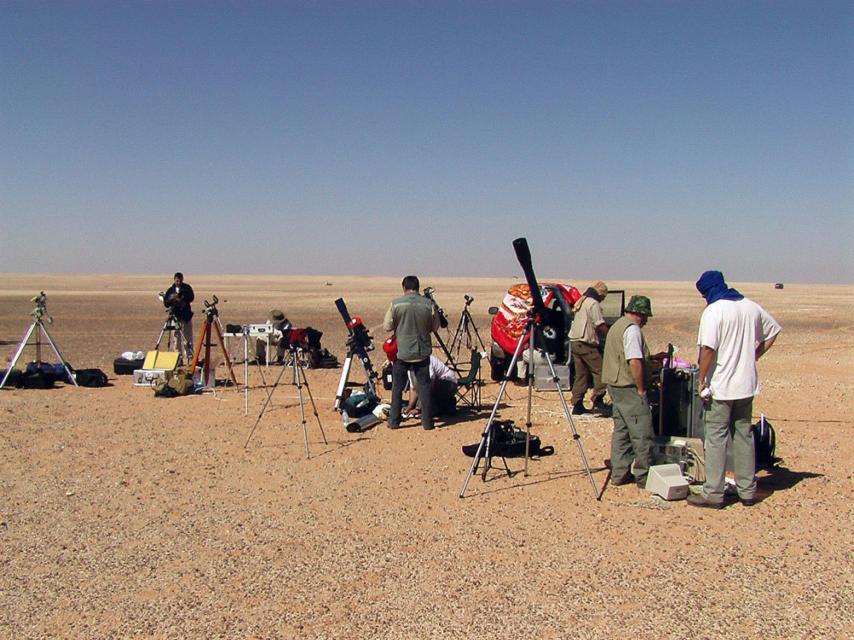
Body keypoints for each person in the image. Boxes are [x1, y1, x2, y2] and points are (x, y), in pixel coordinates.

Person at [687, 271, 781, 509]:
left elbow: (707, 350)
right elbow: (773, 331)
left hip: (720, 386)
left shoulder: (714, 311)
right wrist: (753, 356)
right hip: (746, 384)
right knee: (744, 435)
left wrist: (702, 381)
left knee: (716, 438)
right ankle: (747, 490)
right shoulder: (750, 307)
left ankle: (714, 493)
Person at [601, 295, 666, 488]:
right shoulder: (632, 330)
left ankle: (619, 473)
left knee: (622, 431)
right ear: (639, 313)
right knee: (642, 431)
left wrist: (652, 358)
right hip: (629, 387)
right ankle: (644, 475)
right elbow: (634, 361)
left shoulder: (617, 326)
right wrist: (641, 388)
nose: (646, 320)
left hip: (615, 385)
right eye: (646, 316)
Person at [383, 275, 440, 430]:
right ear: (418, 287)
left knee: (397, 387)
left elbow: (387, 326)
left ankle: (394, 421)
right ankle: (427, 422)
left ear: (404, 287)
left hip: (402, 352)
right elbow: (435, 327)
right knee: (424, 386)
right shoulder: (428, 304)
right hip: (422, 352)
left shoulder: (396, 304)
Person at [569, 281, 611, 416]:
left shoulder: (582, 301)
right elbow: (599, 325)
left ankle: (577, 403)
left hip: (575, 342)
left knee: (581, 374)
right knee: (601, 371)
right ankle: (598, 400)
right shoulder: (593, 304)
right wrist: (611, 335)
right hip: (586, 343)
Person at [163, 272, 194, 363]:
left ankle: (189, 357)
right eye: (177, 280)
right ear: (174, 279)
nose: (178, 281)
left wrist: (182, 297)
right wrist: (172, 298)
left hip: (185, 316)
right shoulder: (170, 290)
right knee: (176, 338)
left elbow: (191, 297)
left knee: (187, 337)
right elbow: (166, 302)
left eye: (180, 280)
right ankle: (178, 358)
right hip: (175, 317)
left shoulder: (187, 288)